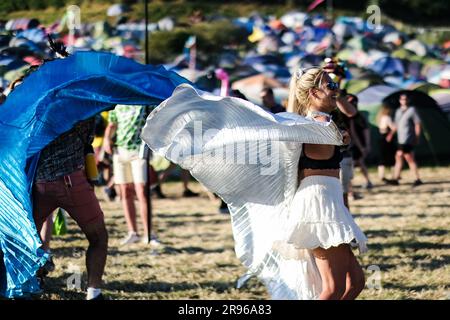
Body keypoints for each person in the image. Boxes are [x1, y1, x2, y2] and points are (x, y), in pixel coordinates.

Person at [142, 65, 368, 300]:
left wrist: (339, 129)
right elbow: (330, 133)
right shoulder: (315, 124)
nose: (336, 89)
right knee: (333, 288)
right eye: (330, 85)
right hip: (319, 205)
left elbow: (335, 127)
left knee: (356, 282)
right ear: (313, 93)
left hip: (328, 201)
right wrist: (341, 135)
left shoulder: (308, 124)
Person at [32, 118, 108, 300]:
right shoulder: (82, 99)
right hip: (73, 182)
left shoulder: (38, 101)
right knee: (98, 237)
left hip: (40, 183)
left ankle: (28, 283)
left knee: (25, 240)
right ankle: (94, 293)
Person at [103, 104, 160, 245]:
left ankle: (148, 233)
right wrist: (106, 139)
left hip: (139, 151)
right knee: (124, 191)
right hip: (120, 151)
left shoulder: (143, 100)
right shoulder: (118, 101)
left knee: (142, 191)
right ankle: (132, 232)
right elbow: (112, 123)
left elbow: (156, 119)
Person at [387, 94, 423, 186]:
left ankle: (417, 178)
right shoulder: (398, 111)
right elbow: (396, 124)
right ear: (400, 100)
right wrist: (391, 134)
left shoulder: (412, 110)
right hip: (400, 139)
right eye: (402, 99)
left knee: (409, 158)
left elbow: (417, 124)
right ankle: (396, 178)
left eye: (406, 99)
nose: (404, 101)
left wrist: (417, 137)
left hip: (408, 139)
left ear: (408, 100)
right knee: (399, 157)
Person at [347, 95, 373, 190]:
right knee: (358, 163)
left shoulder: (355, 117)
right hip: (354, 144)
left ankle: (350, 188)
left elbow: (360, 132)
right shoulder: (351, 116)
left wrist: (363, 146)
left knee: (353, 164)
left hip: (355, 145)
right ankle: (352, 187)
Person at [376, 105, 397, 182]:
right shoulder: (387, 117)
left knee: (382, 158)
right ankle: (394, 175)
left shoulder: (379, 118)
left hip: (381, 138)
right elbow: (394, 128)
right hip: (387, 138)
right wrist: (391, 135)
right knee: (392, 158)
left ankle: (381, 175)